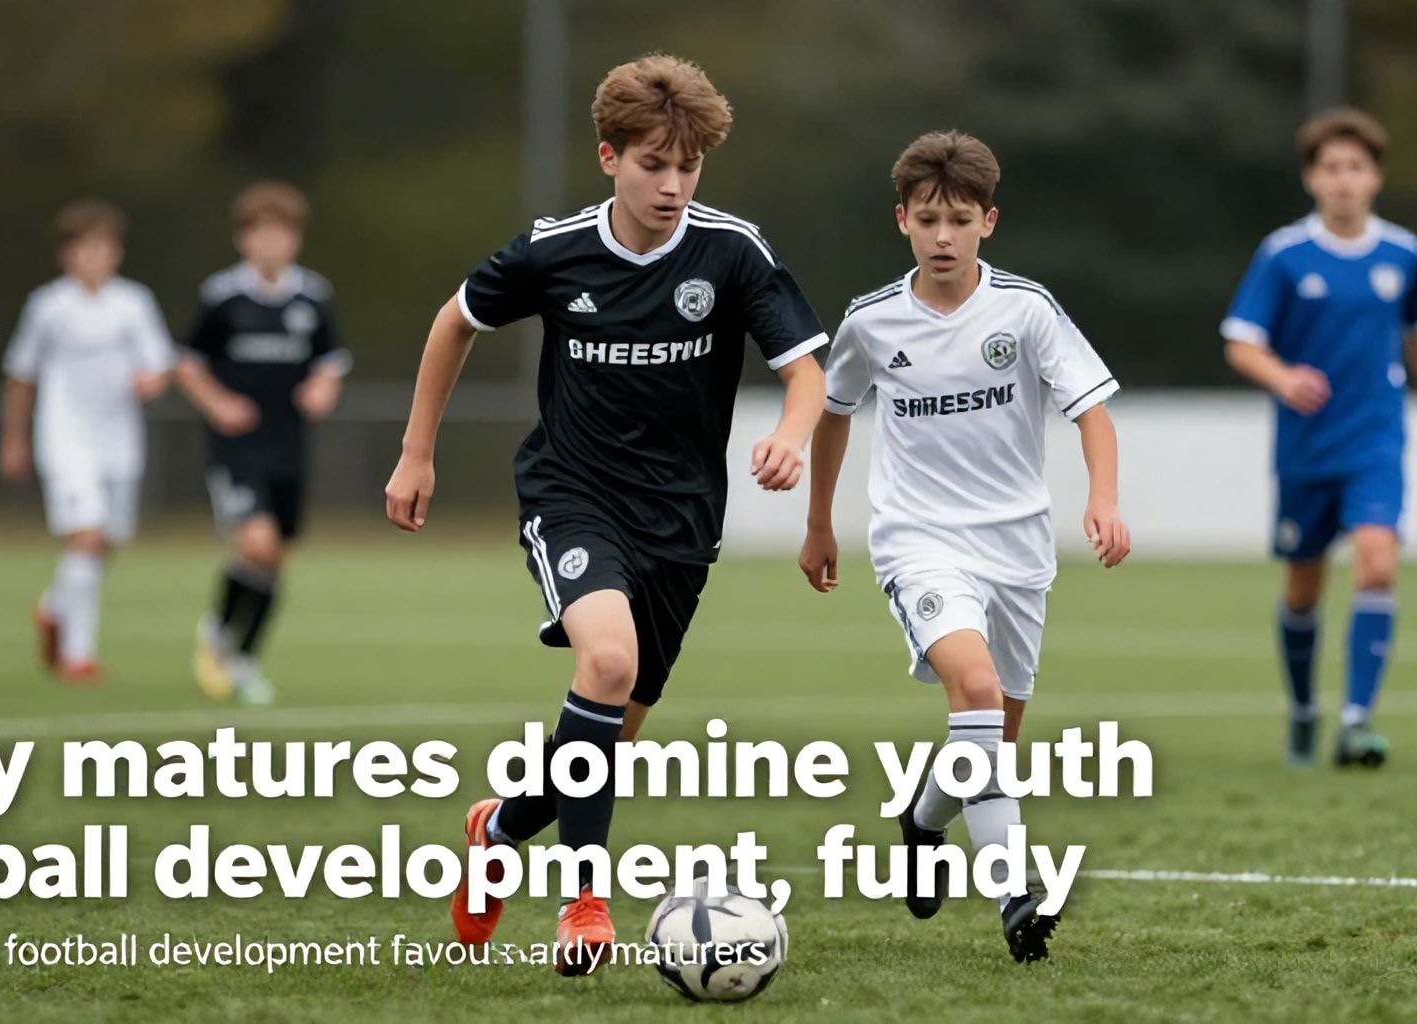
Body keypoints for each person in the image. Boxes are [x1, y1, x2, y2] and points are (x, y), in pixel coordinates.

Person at [384, 54, 827, 975]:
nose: (672, 186)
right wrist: (416, 451)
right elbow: (454, 321)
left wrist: (792, 434)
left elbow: (806, 373)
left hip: (683, 519)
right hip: (573, 495)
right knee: (609, 662)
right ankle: (584, 900)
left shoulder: (732, 252)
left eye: (688, 167)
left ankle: (498, 830)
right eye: (653, 164)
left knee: (607, 733)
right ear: (608, 157)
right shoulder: (554, 251)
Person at [800, 131, 1129, 963]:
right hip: (918, 541)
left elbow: (1091, 410)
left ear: (989, 221)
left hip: (1018, 549)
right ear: (902, 221)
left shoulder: (1025, 309)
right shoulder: (872, 321)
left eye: (958, 220)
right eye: (927, 220)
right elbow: (834, 413)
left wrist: (1102, 497)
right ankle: (1017, 894)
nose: (942, 237)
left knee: (990, 742)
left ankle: (922, 821)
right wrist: (819, 522)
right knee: (974, 688)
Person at [1221, 107, 1417, 769]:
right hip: (1307, 450)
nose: (1343, 179)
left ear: (1376, 177)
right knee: (1303, 588)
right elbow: (1240, 341)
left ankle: (1355, 722)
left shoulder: (1403, 253)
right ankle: (1303, 711)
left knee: (1378, 563)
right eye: (1331, 168)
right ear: (1311, 179)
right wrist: (1283, 377)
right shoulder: (1285, 255)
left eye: (1356, 167)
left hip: (1376, 442)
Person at [176, 182, 349, 706]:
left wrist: (322, 388)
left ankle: (241, 655)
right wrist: (218, 404)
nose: (273, 244)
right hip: (238, 449)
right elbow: (188, 363)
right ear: (243, 239)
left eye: (283, 233)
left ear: (296, 239)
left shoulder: (312, 296)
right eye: (262, 234)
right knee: (257, 544)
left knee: (275, 558)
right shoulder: (222, 296)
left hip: (289, 444)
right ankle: (220, 635)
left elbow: (331, 361)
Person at [0, 199, 176, 683]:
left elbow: (160, 364)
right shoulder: (48, 306)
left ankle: (54, 607)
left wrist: (153, 381)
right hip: (66, 434)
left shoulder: (133, 303)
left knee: (105, 543)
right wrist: (13, 439)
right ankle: (78, 654)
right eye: (85, 247)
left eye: (104, 247)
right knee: (87, 536)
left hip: (119, 437)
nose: (95, 257)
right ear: (66, 253)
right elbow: (21, 375)